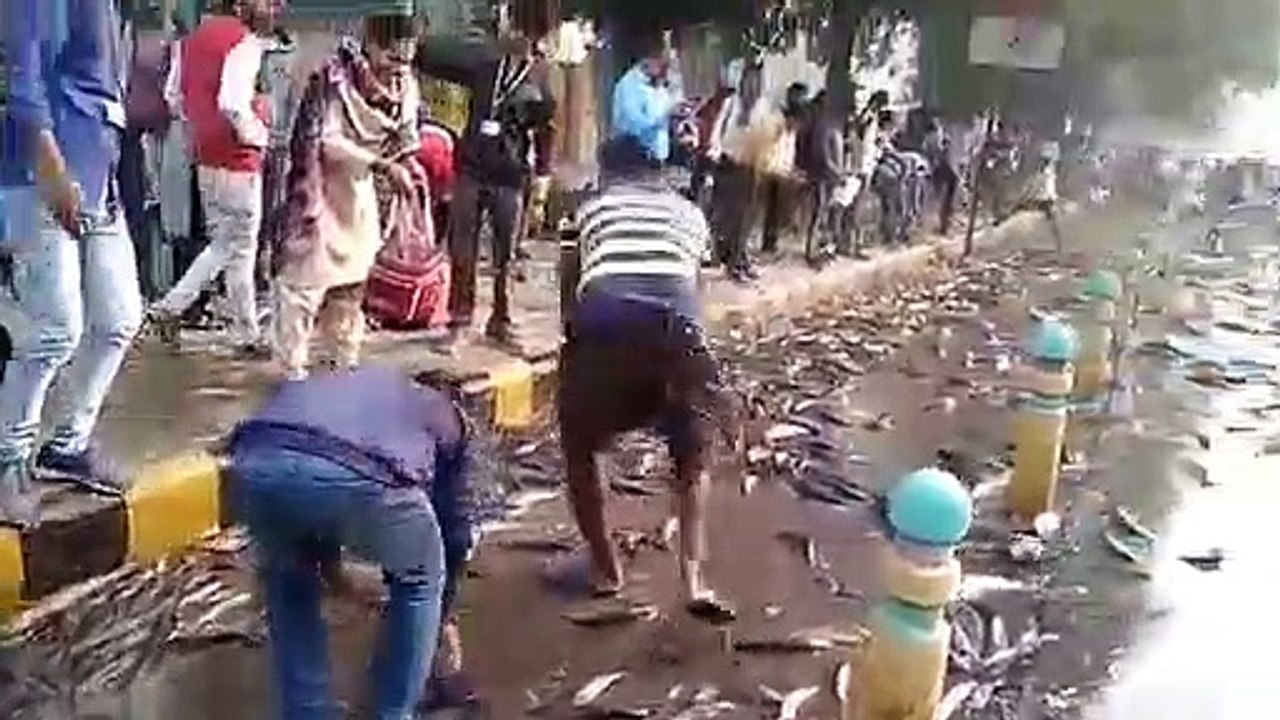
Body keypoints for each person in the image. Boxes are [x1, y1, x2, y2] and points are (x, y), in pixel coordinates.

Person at [227, 365, 478, 719]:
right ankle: (392, 712)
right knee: (422, 578)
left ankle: (306, 712)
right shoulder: (443, 411)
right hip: (359, 473)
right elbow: (451, 529)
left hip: (256, 461)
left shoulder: (354, 382)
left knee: (290, 581)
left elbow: (311, 475)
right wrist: (440, 616)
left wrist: (336, 576)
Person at [559, 135, 738, 620]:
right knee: (693, 461)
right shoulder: (690, 213)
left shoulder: (589, 206)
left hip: (606, 323)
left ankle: (606, 570)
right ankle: (694, 579)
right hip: (678, 332)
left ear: (609, 172)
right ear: (657, 173)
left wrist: (572, 345)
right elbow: (693, 290)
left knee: (580, 448)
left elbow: (570, 279)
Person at [0, 0, 145, 517]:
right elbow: (24, 72)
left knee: (118, 319)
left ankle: (66, 446)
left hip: (97, 173)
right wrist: (52, 166)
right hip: (43, 175)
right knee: (54, 331)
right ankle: (7, 463)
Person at [272, 15, 422, 380]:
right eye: (389, 56)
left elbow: (407, 136)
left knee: (352, 286)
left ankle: (342, 369)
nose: (395, 68)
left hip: (362, 199)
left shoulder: (406, 85)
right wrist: (382, 164)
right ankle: (291, 372)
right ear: (370, 45)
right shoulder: (334, 79)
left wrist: (408, 163)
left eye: (404, 59)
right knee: (303, 287)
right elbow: (326, 139)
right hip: (320, 195)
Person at [148, 0, 281, 356]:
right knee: (235, 246)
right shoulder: (245, 43)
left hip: (205, 154)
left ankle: (245, 330)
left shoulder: (187, 43)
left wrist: (199, 123)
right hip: (239, 157)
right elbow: (233, 102)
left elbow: (172, 97)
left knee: (228, 244)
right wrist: (258, 134)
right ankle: (172, 308)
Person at [416, 30, 556, 345]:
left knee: (505, 253)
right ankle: (460, 320)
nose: (517, 35)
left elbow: (546, 131)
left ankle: (501, 318)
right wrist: (415, 41)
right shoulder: (484, 64)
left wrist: (543, 179)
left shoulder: (541, 77)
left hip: (510, 175)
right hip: (471, 169)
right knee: (462, 248)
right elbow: (437, 61)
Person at [611, 42, 681, 165]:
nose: (667, 70)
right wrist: (665, 117)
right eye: (664, 65)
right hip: (633, 159)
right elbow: (633, 126)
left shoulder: (658, 87)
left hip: (657, 160)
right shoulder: (630, 85)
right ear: (650, 60)